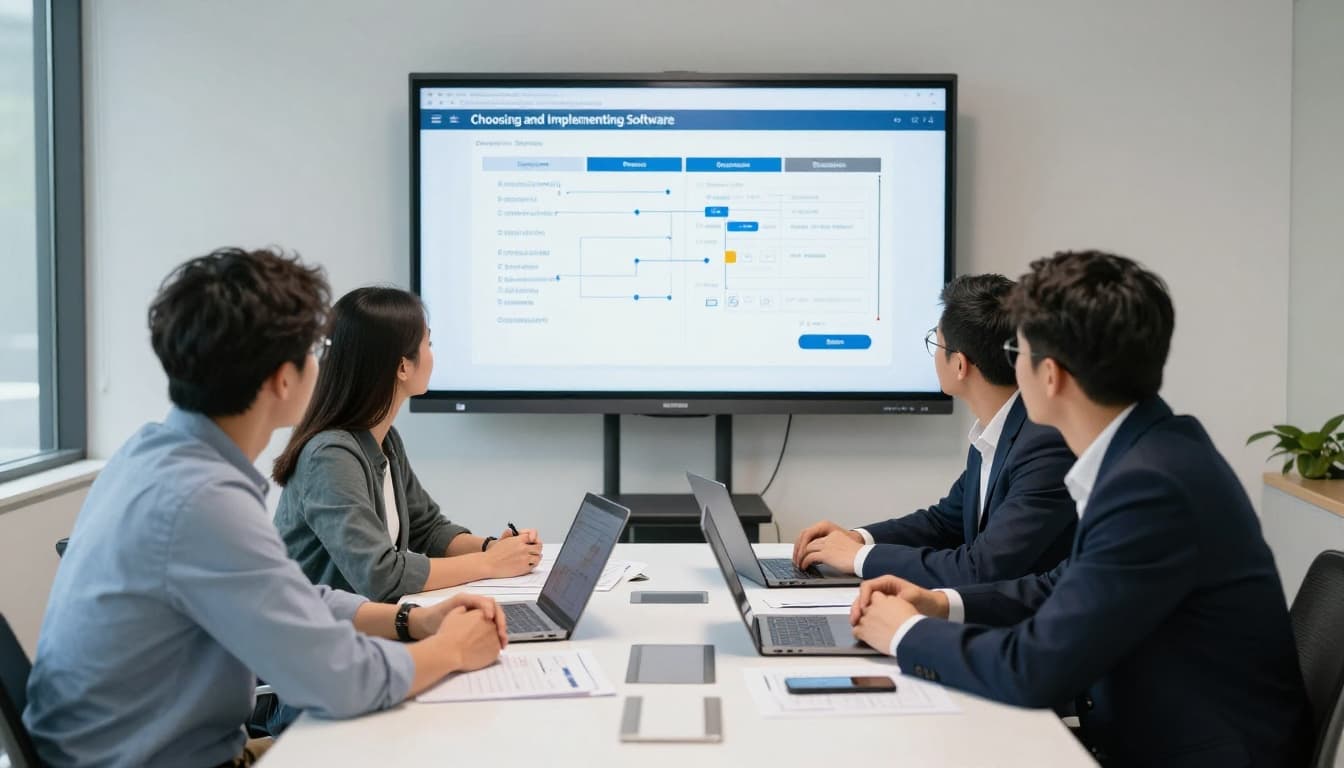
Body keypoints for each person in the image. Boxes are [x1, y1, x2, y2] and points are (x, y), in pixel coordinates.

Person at [24, 248, 507, 768]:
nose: (322, 365)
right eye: (314, 351)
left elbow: (291, 595)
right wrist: (453, 648)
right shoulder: (203, 502)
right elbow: (341, 679)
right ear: (283, 378)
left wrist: (415, 620)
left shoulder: (152, 455)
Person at [851, 251, 1312, 766]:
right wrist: (941, 604)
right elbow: (1063, 584)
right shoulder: (1153, 449)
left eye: (1016, 351)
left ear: (1050, 375)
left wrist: (906, 633)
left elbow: (1034, 669)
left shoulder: (1150, 486)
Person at [792, 274, 1076, 586]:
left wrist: (859, 558)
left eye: (936, 343)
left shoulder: (1045, 444)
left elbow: (981, 569)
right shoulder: (998, 431)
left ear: (960, 365)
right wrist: (858, 539)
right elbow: (944, 523)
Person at [272, 287, 541, 602]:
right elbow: (380, 575)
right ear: (403, 367)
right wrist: (490, 563)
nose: (433, 355)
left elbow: (428, 528)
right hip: (321, 629)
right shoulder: (330, 457)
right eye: (429, 344)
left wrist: (493, 548)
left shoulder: (385, 440)